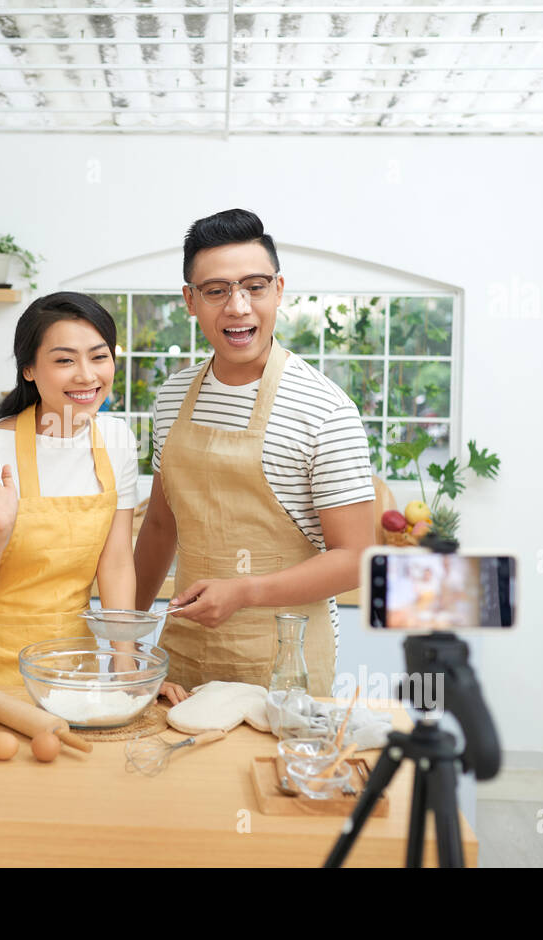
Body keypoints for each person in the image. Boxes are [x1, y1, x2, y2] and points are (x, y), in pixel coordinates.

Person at [134, 209, 377, 704]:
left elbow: (355, 560)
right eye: (217, 290)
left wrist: (243, 591)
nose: (238, 307)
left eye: (254, 287)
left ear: (279, 290)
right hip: (182, 653)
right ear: (191, 300)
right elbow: (161, 525)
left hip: (285, 664)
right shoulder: (173, 395)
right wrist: (126, 637)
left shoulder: (324, 409)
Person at [0, 292, 140, 685]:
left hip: (73, 673)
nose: (87, 375)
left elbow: (115, 564)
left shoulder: (117, 440)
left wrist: (125, 661)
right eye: (65, 360)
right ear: (29, 369)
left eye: (99, 357)